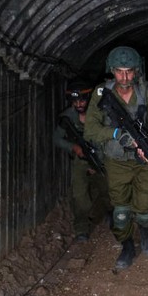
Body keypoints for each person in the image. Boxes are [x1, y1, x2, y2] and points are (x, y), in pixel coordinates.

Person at [84, 46, 148, 270]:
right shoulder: (102, 93)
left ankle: (145, 228)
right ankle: (127, 246)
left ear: (136, 71)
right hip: (116, 162)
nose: (124, 77)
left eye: (129, 71)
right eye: (119, 71)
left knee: (144, 208)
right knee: (120, 211)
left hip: (144, 162)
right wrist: (115, 134)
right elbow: (90, 130)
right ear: (111, 71)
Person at [53, 80, 108, 242]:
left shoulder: (100, 114)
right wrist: (74, 147)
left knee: (109, 191)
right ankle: (81, 229)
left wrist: (98, 162)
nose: (78, 104)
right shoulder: (68, 117)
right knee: (79, 197)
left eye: (82, 100)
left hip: (101, 158)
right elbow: (56, 138)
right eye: (75, 101)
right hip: (79, 160)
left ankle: (112, 214)